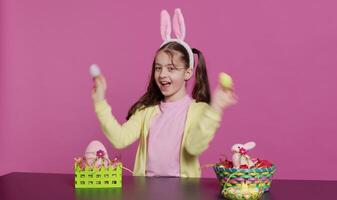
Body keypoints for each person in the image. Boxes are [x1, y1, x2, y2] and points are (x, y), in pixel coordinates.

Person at [89, 8, 237, 178]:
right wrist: (100, 101)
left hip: (183, 192)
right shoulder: (146, 111)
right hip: (146, 190)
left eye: (171, 68)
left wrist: (216, 108)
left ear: (187, 73)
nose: (163, 74)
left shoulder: (200, 110)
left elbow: (194, 147)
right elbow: (120, 139)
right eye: (158, 68)